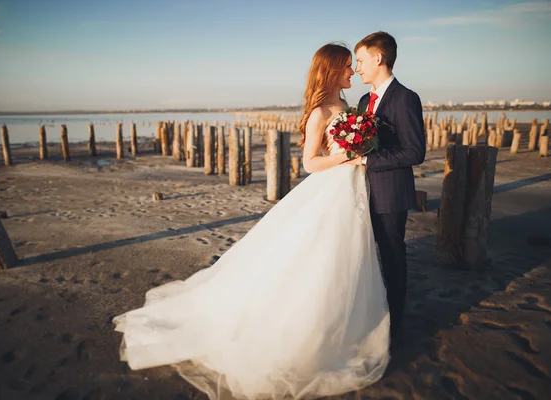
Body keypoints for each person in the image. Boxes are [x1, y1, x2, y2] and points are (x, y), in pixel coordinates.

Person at [113, 43, 390, 400]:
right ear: (332, 70)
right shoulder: (321, 111)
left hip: (350, 189)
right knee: (320, 257)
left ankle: (346, 326)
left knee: (347, 257)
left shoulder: (349, 108)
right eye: (347, 67)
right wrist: (349, 159)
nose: (352, 72)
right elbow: (309, 163)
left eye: (354, 66)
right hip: (332, 186)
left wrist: (356, 154)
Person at [328, 32, 426, 337]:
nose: (357, 68)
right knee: (360, 255)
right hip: (360, 192)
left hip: (390, 193)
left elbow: (414, 151)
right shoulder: (362, 100)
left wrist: (367, 161)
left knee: (392, 256)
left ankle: (394, 322)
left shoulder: (405, 97)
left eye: (360, 60)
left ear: (378, 59)